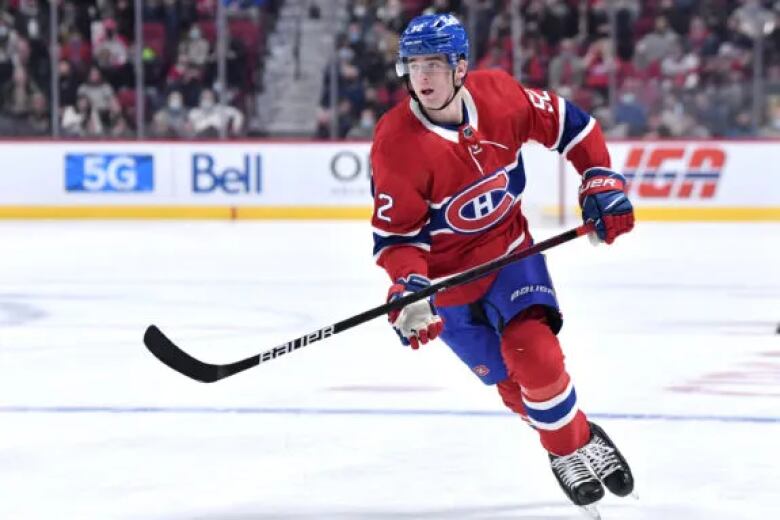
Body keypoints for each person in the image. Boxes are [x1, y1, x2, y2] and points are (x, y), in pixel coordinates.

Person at [370, 13, 635, 513]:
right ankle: (577, 438)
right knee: (513, 388)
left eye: (435, 63)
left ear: (460, 65)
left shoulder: (500, 96)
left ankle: (561, 453)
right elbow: (397, 237)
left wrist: (598, 175)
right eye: (413, 64)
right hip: (446, 285)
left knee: (534, 355)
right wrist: (409, 287)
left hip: (511, 253)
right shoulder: (395, 143)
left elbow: (572, 127)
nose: (422, 77)